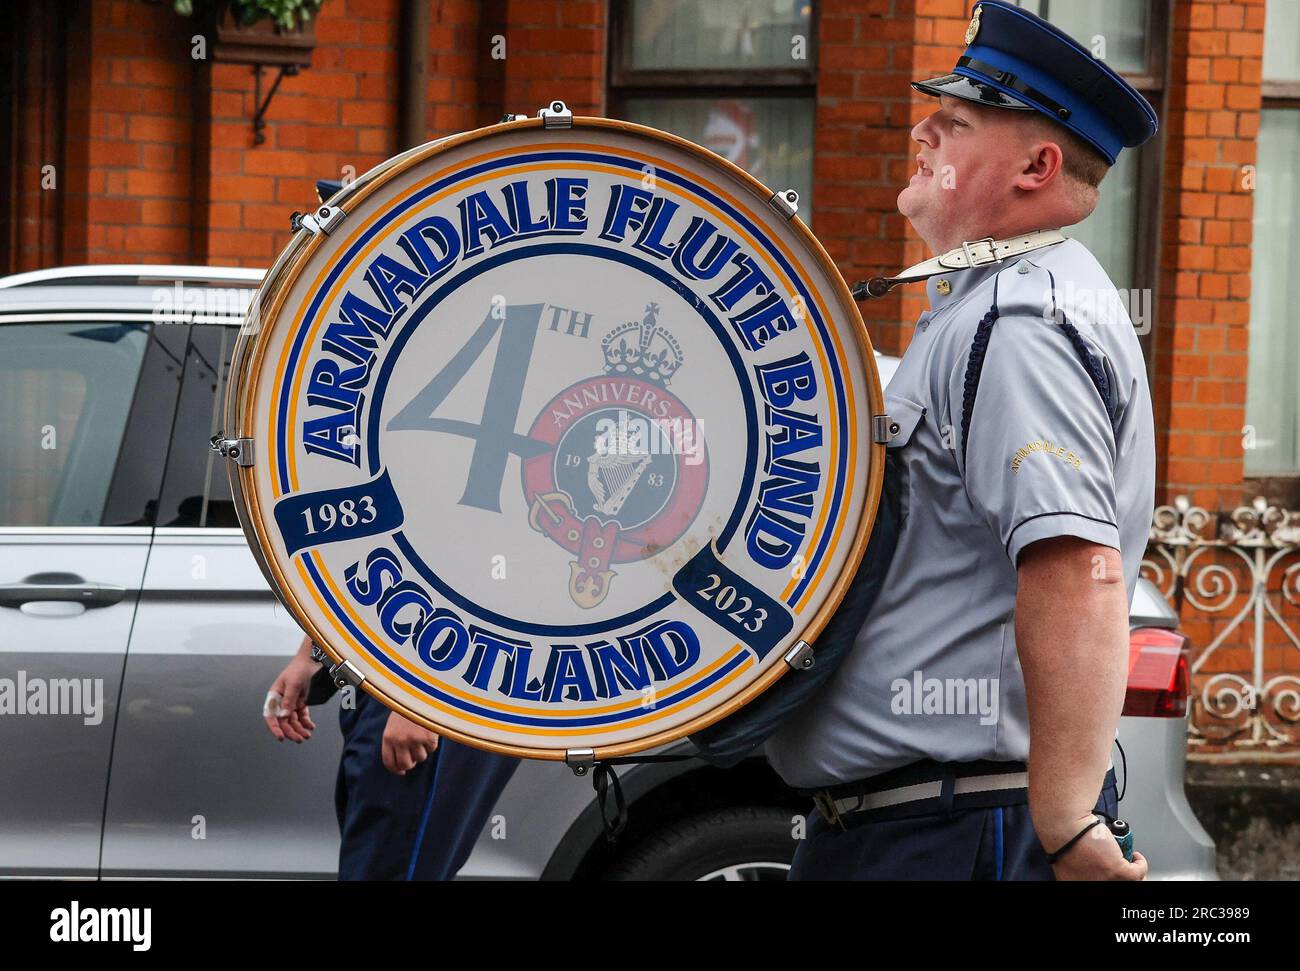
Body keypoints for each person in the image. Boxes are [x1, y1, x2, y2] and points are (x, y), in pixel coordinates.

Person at [766, 0, 1158, 880]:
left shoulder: (1017, 321)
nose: (922, 132)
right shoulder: (993, 305)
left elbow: (1074, 565)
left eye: (957, 121)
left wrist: (1063, 820)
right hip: (932, 819)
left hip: (949, 829)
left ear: (1036, 165)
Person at [265, 635, 520, 880]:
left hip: (433, 680)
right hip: (397, 674)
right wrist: (313, 651)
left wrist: (419, 699)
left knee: (386, 867)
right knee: (378, 861)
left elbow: (479, 594)